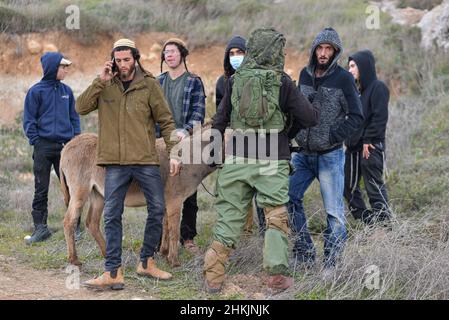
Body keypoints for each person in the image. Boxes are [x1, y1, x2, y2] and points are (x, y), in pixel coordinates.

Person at [203, 28, 319, 293]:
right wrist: (288, 133)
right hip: (271, 158)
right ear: (275, 52)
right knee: (275, 217)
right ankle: (277, 278)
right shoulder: (283, 82)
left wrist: (214, 155)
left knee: (229, 217)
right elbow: (310, 118)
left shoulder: (234, 80)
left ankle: (214, 276)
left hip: (237, 158)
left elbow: (219, 121)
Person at [76, 39, 180, 290]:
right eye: (118, 60)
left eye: (127, 59)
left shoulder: (149, 84)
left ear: (135, 58)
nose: (123, 65)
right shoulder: (105, 84)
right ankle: (113, 272)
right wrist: (100, 81)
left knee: (157, 209)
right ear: (113, 60)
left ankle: (146, 262)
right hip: (115, 162)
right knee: (112, 214)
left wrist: (174, 152)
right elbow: (81, 107)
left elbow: (166, 121)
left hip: (145, 159)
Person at [289, 27, 364, 270]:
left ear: (335, 52)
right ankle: (305, 253)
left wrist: (333, 136)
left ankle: (331, 265)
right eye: (320, 48)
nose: (323, 53)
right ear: (314, 50)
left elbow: (356, 116)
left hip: (330, 156)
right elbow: (297, 110)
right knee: (288, 198)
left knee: (334, 213)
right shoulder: (303, 74)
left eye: (328, 49)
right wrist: (294, 135)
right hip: (303, 155)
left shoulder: (344, 79)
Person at [23, 52, 81, 245]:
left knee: (72, 189)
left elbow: (74, 118)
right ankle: (40, 229)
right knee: (41, 189)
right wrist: (36, 141)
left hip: (66, 149)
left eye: (66, 67)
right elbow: (29, 121)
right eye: (62, 67)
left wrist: (76, 140)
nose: (66, 70)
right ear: (51, 67)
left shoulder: (67, 91)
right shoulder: (35, 92)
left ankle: (75, 228)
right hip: (43, 148)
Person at [158, 38, 206, 254]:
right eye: (166, 52)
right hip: (160, 143)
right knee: (158, 189)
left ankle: (187, 237)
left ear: (182, 55)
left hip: (186, 143)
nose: (169, 55)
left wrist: (185, 131)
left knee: (188, 193)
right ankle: (161, 239)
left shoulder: (194, 81)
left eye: (173, 52)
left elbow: (199, 113)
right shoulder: (158, 81)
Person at [215, 36, 266, 235]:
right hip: (233, 145)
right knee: (234, 193)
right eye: (232, 54)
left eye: (240, 53)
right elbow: (221, 113)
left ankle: (263, 232)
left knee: (261, 193)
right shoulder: (223, 82)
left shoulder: (260, 78)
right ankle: (237, 234)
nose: (236, 57)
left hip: (259, 143)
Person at [344, 49, 391, 225]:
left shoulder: (378, 87)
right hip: (355, 148)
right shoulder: (358, 92)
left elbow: (380, 117)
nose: (350, 70)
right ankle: (369, 222)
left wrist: (368, 139)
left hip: (370, 146)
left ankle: (384, 227)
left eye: (353, 66)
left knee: (374, 188)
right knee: (347, 186)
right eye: (349, 66)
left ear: (364, 66)